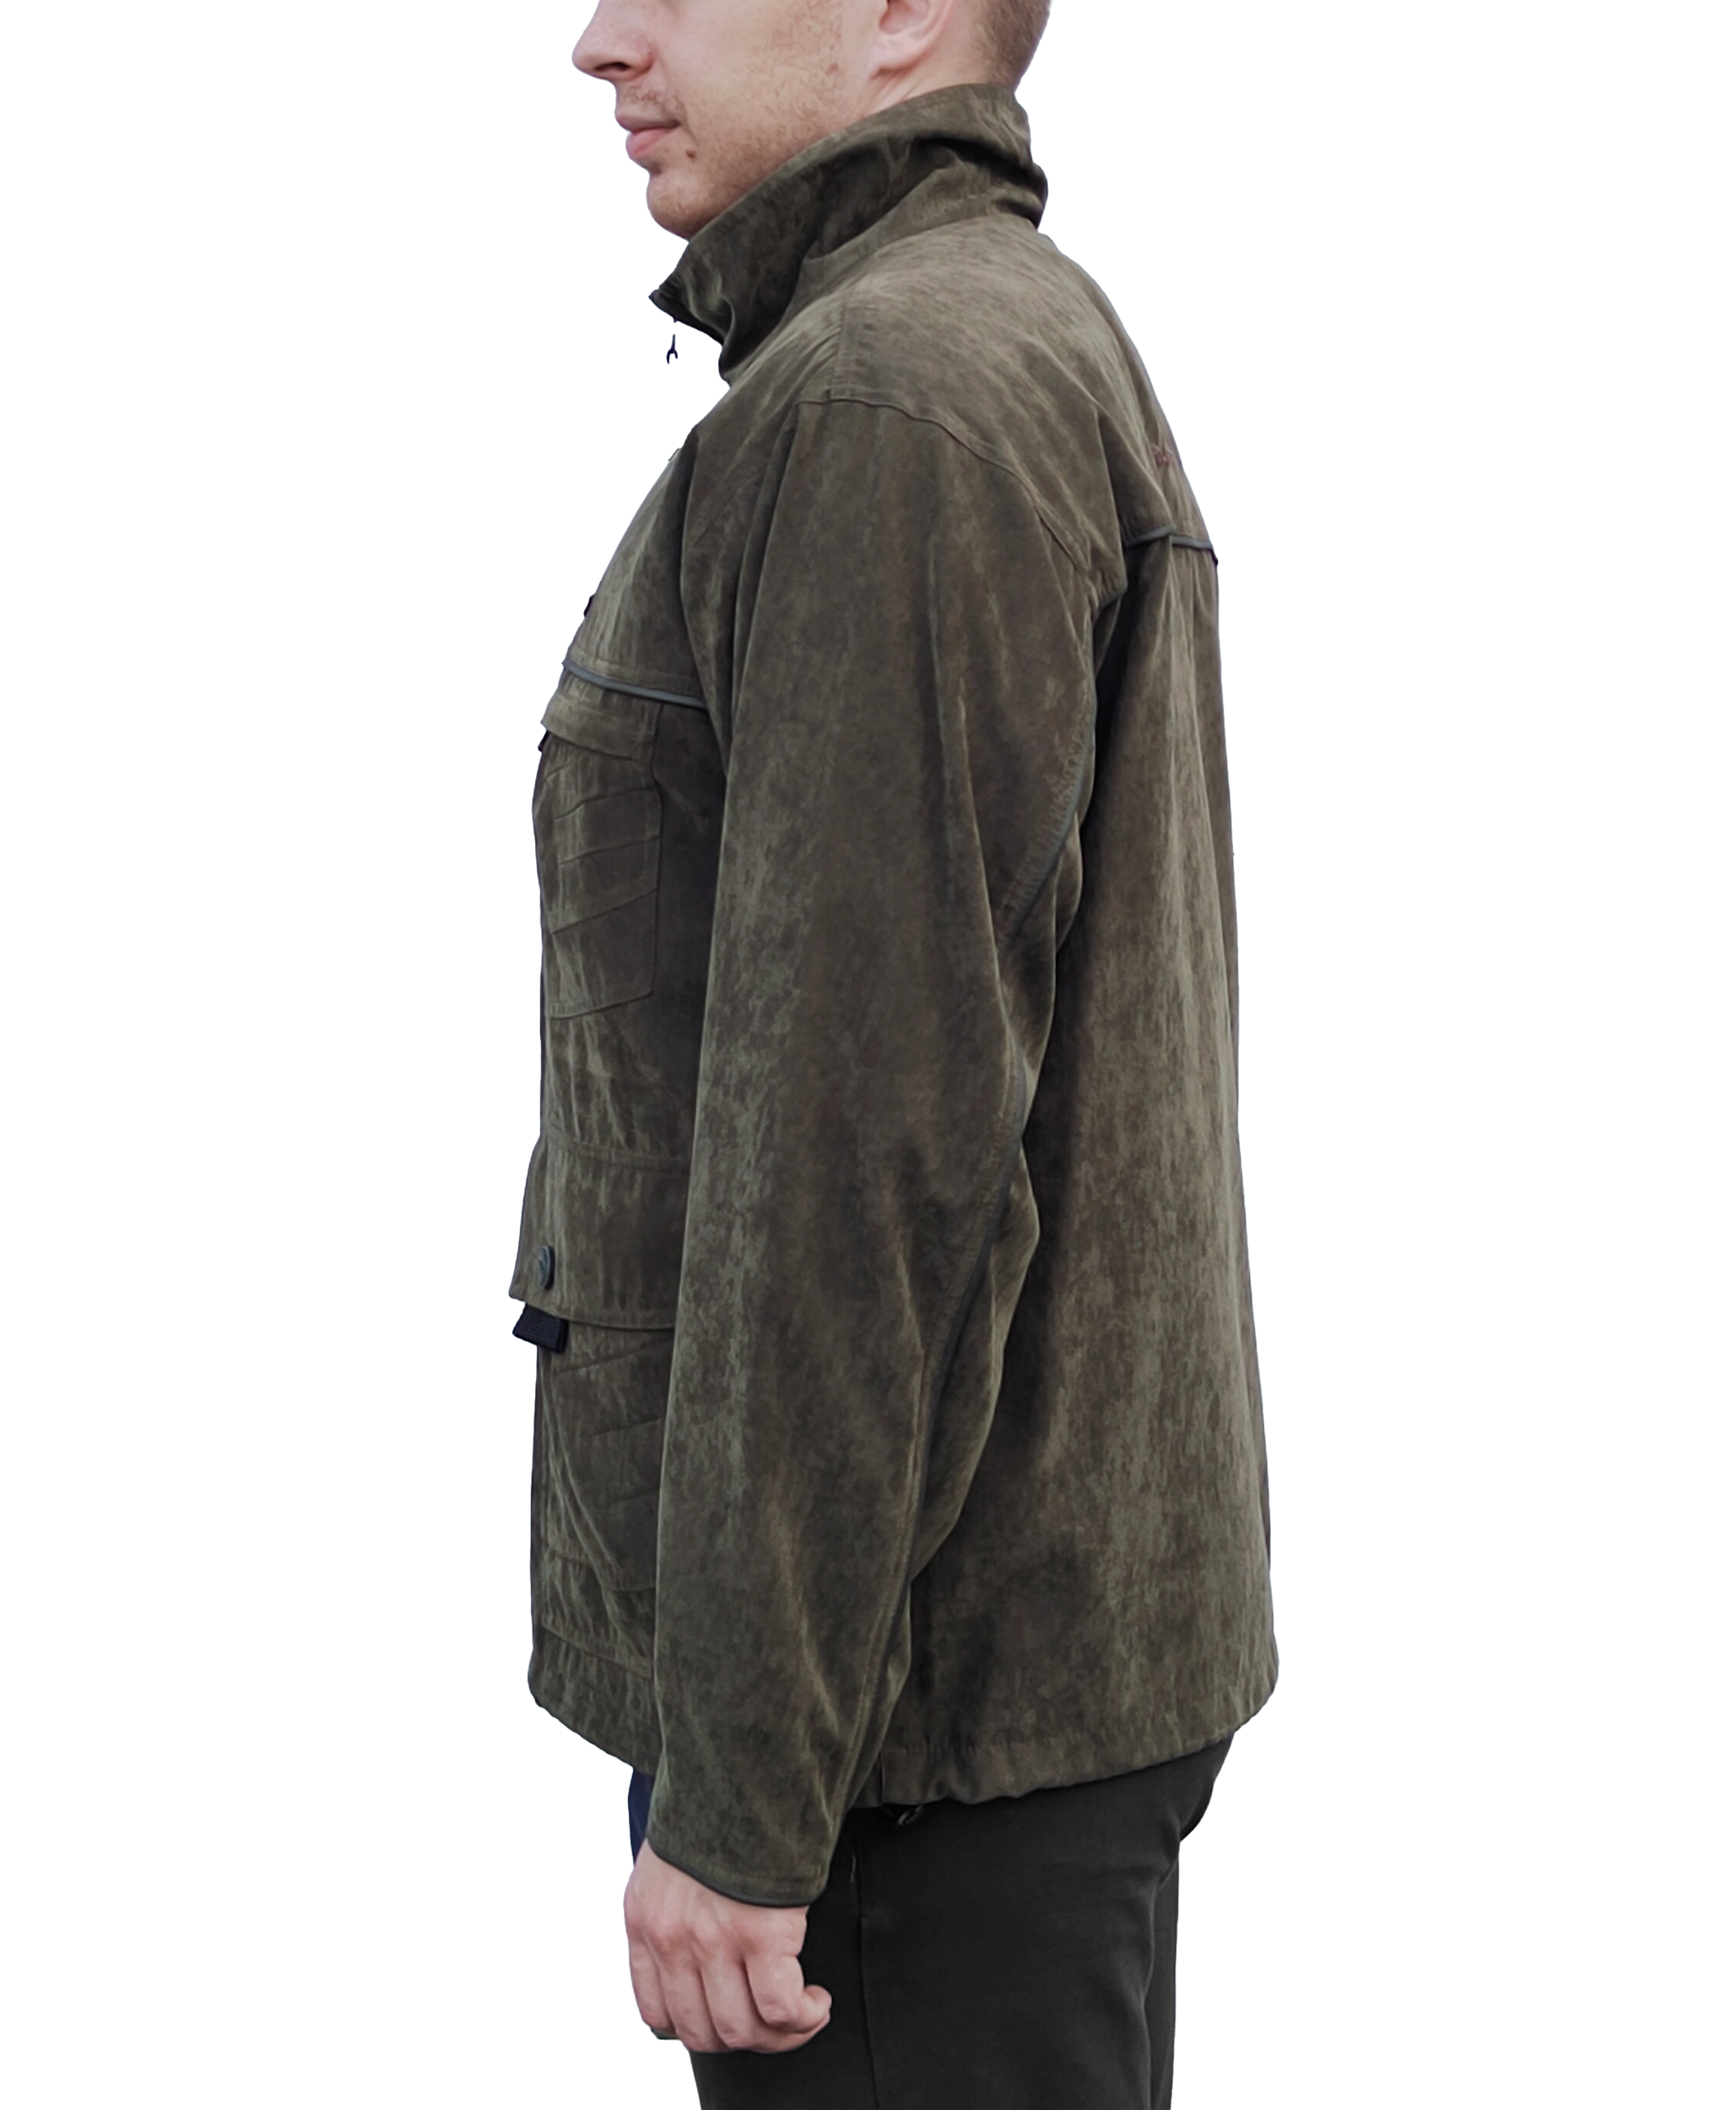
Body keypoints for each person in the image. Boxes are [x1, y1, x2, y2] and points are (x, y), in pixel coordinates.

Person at [509, 1, 1279, 2100]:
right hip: (953, 1701)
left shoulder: (893, 401)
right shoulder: (968, 350)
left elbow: (853, 1158)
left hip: (898, 1745)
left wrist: (745, 1795)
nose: (598, 41)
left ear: (898, 16)